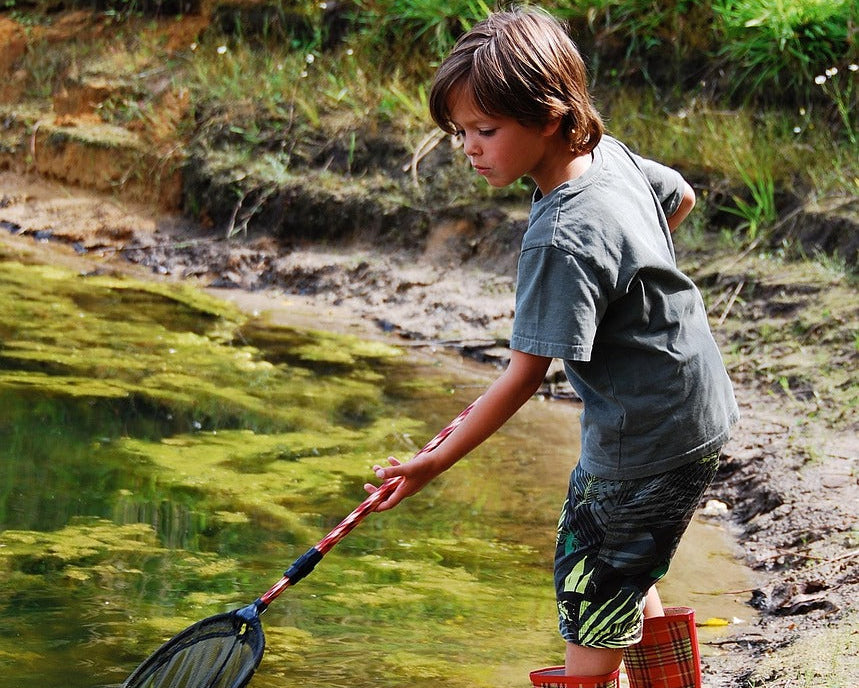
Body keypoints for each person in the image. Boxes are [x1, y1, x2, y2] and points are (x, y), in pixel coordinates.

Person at [364, 6, 739, 687]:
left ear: (546, 116)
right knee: (626, 562)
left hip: (642, 434)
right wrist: (630, 288)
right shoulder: (608, 156)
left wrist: (432, 462)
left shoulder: (561, 234)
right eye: (460, 133)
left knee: (590, 581)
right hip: (694, 409)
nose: (470, 148)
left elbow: (521, 378)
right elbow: (675, 198)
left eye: (485, 130)